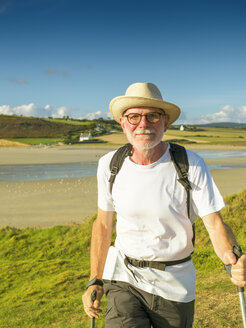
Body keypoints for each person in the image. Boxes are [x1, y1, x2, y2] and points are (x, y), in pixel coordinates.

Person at [82, 82, 246, 327]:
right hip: (124, 277)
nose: (143, 124)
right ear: (122, 122)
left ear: (165, 121)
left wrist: (233, 260)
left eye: (153, 116)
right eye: (134, 116)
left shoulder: (190, 163)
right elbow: (103, 226)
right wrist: (95, 279)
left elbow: (214, 224)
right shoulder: (110, 164)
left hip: (175, 283)